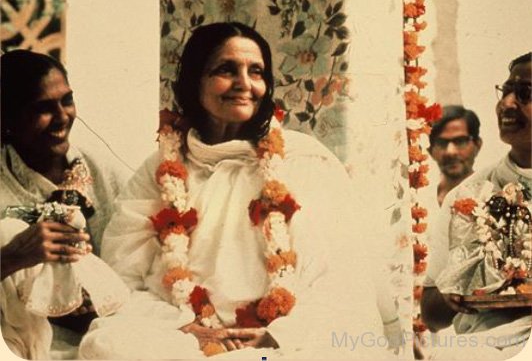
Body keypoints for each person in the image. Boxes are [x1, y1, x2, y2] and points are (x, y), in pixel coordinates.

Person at [78, 22, 383, 359]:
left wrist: (276, 336)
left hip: (278, 340)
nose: (244, 84)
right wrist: (185, 328)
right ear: (195, 81)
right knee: (108, 344)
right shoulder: (159, 168)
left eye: (256, 72)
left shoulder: (305, 161)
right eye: (226, 69)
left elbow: (340, 281)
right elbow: (123, 279)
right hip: (183, 338)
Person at [0, 50, 129, 359]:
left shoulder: (101, 170)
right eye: (42, 108)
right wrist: (13, 257)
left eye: (67, 101)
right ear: (8, 120)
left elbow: (135, 260)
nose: (62, 117)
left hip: (105, 333)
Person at [421, 52, 532, 359]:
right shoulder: (468, 196)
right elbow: (431, 313)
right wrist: (454, 290)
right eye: (506, 91)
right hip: (485, 347)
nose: (507, 103)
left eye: (525, 93)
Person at [428, 105, 482, 207]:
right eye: (441, 143)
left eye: (460, 141)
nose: (450, 152)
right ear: (430, 151)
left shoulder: (490, 194)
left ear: (477, 145)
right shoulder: (421, 199)